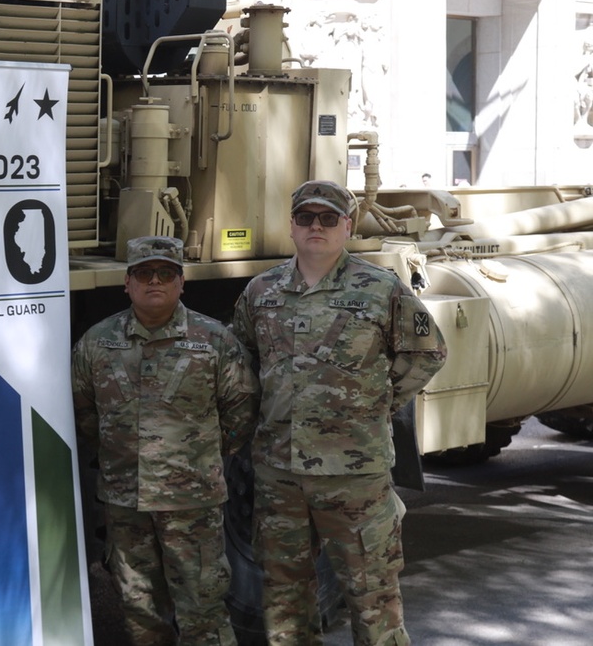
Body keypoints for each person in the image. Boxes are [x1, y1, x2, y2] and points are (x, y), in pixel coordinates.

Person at [231, 180, 447, 645]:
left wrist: (378, 406)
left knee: (373, 599)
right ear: (291, 226)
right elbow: (245, 363)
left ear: (346, 227)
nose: (317, 227)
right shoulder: (260, 292)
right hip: (279, 474)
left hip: (356, 477)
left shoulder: (380, 288)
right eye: (306, 218)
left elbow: (427, 353)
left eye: (329, 218)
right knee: (284, 602)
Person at [72, 236, 258, 645]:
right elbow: (86, 413)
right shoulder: (96, 343)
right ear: (127, 283)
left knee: (202, 610)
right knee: (140, 611)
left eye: (166, 273)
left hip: (191, 502)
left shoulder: (214, 341)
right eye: (143, 272)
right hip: (126, 501)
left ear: (181, 282)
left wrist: (196, 461)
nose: (154, 281)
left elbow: (240, 414)